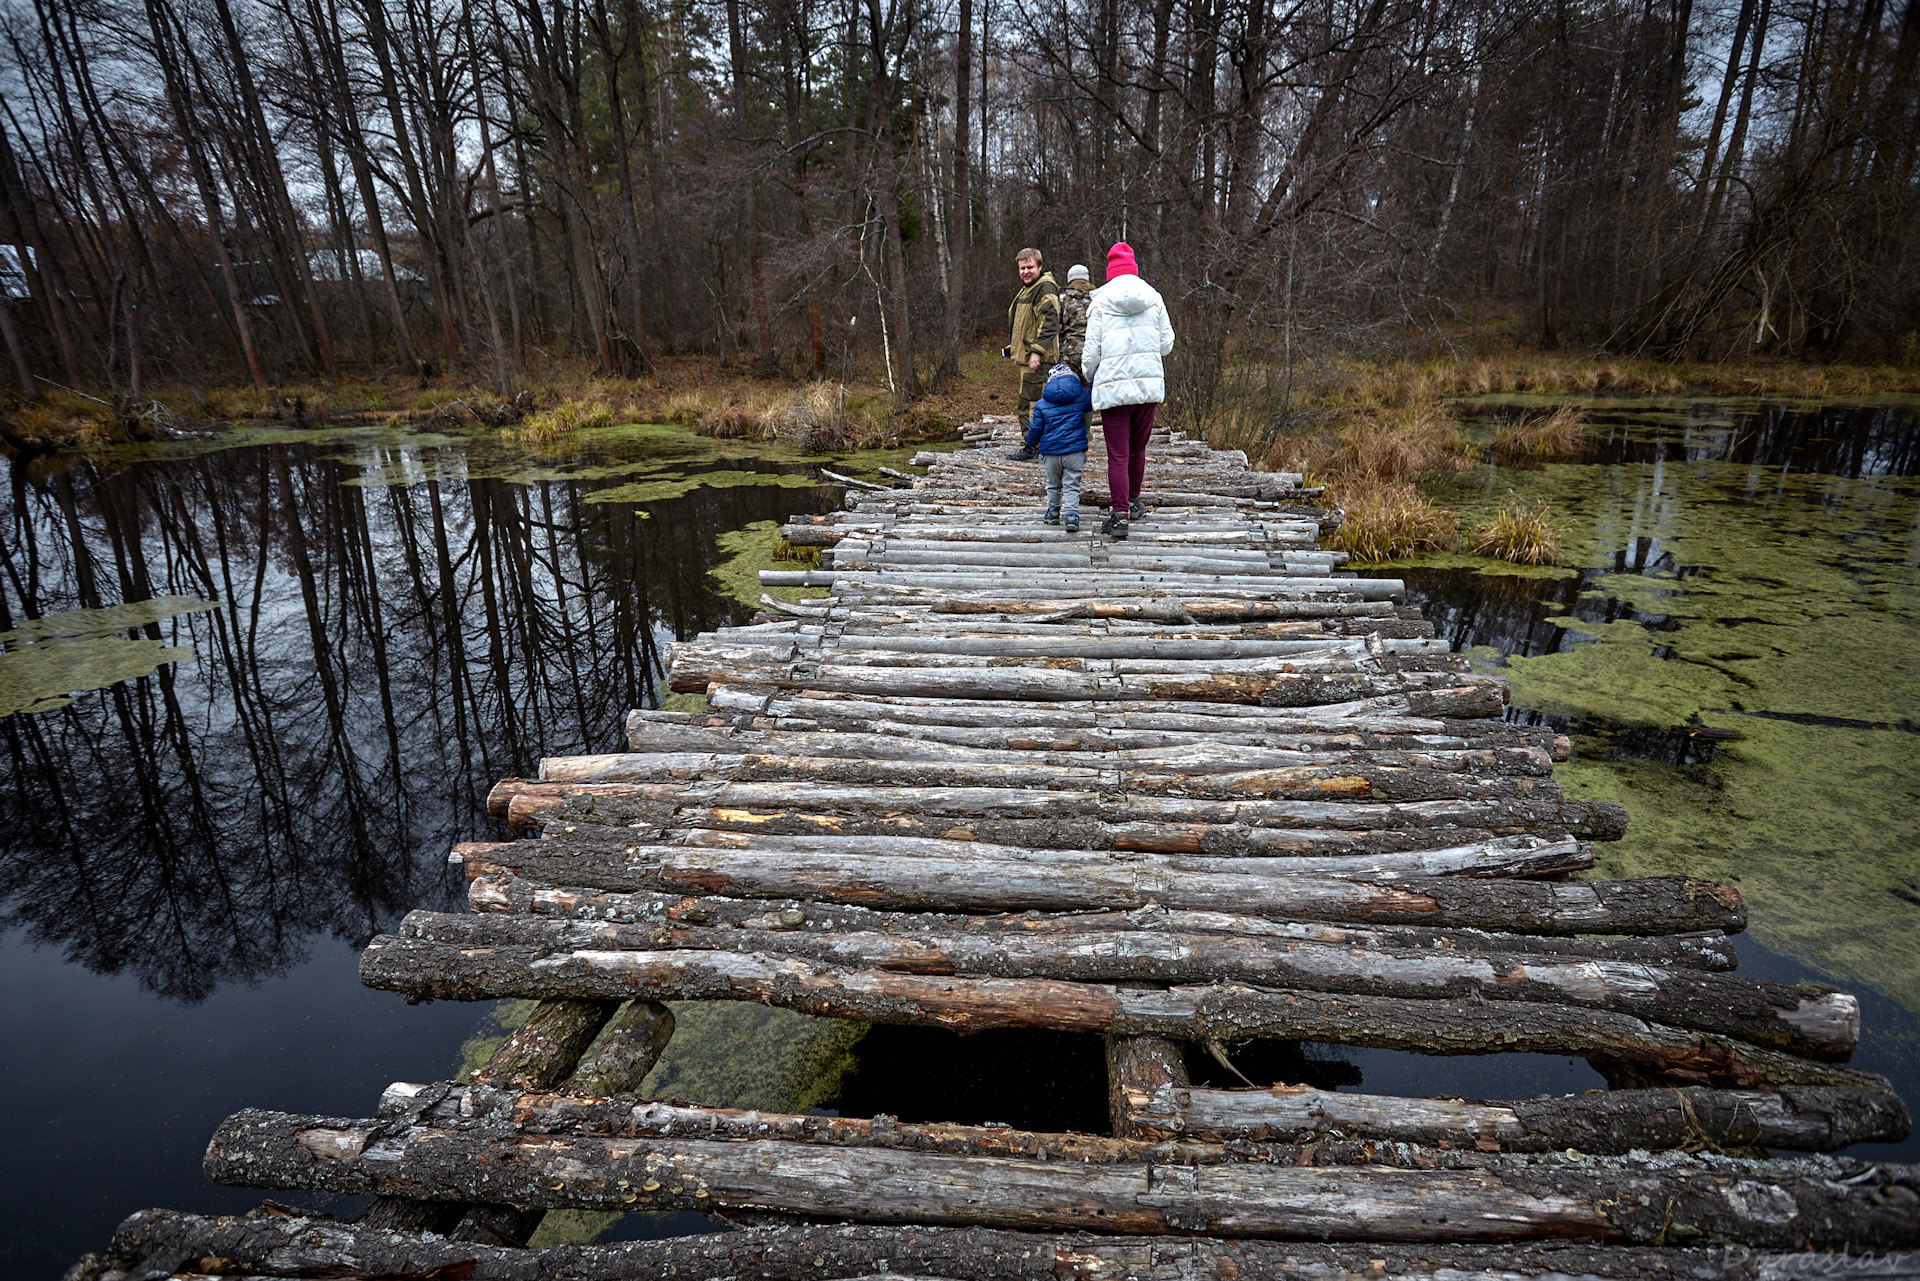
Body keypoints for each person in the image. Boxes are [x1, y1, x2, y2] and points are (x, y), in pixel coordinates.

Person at [1081, 242, 1175, 540]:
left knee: (1118, 455)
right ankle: (1133, 502)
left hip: (1114, 391)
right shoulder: (1154, 298)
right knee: (1137, 450)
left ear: (1110, 272)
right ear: (1134, 269)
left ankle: (1119, 517)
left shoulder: (1099, 304)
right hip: (1147, 388)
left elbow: (1091, 355)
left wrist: (1088, 374)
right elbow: (1166, 345)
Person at [1003, 248, 1060, 462]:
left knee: (1030, 403)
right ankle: (1037, 444)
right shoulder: (1028, 289)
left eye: (1030, 267)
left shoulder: (1044, 288)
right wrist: (1015, 345)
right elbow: (1028, 322)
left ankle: (1032, 447)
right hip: (1027, 356)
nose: (1026, 272)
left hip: (1037, 360)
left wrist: (1037, 350)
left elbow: (1050, 322)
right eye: (1022, 268)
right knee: (1030, 402)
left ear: (1040, 267)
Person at [1022, 361, 1092, 533]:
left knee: (1053, 484)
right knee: (1071, 485)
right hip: (1074, 451)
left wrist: (1030, 445)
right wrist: (1092, 380)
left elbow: (1035, 428)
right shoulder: (1082, 397)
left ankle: (1053, 513)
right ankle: (1071, 516)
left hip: (1050, 452)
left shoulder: (1041, 404)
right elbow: (1094, 397)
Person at [1058, 264, 1094, 378]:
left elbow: (1054, 326)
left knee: (1070, 390)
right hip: (1093, 351)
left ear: (1070, 281)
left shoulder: (1062, 299)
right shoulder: (1097, 297)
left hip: (1069, 352)